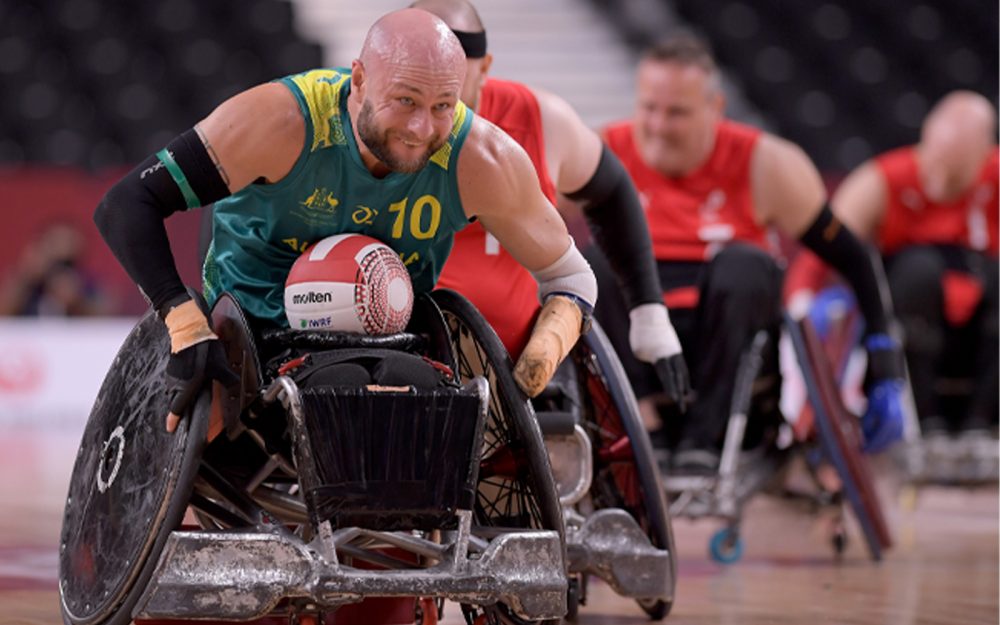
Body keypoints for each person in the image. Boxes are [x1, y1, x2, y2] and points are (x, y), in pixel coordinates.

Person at [93, 9, 598, 432]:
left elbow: (572, 276)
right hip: (254, 323)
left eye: (444, 105)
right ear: (358, 80)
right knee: (196, 427)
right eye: (406, 101)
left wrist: (547, 348)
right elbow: (126, 204)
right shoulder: (279, 119)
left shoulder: (482, 157)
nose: (423, 128)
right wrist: (184, 323)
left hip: (392, 338)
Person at [589, 33, 906, 473]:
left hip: (728, 345)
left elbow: (853, 257)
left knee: (744, 264)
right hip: (635, 347)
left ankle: (707, 436)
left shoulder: (768, 164)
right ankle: (644, 423)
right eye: (649, 108)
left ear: (715, 108)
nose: (658, 126)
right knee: (591, 261)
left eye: (676, 112)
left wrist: (884, 354)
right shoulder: (601, 151)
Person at [410, 0, 691, 412]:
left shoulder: (541, 118)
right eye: (418, 79)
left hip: (520, 366)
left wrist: (649, 312)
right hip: (407, 357)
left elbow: (612, 192)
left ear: (483, 67)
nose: (433, 94)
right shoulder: (376, 125)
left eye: (450, 75)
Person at [787, 91, 998, 436]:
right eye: (938, 162)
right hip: (905, 309)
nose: (941, 181)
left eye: (957, 170)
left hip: (977, 315)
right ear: (926, 136)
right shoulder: (881, 180)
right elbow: (820, 251)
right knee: (920, 272)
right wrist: (799, 307)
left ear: (985, 154)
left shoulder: (995, 176)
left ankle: (982, 422)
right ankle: (923, 421)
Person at [0, 221, 112, 317]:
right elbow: (4, 313)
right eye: (54, 242)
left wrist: (76, 302)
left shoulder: (87, 282)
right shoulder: (27, 281)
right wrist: (26, 276)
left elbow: (104, 318)